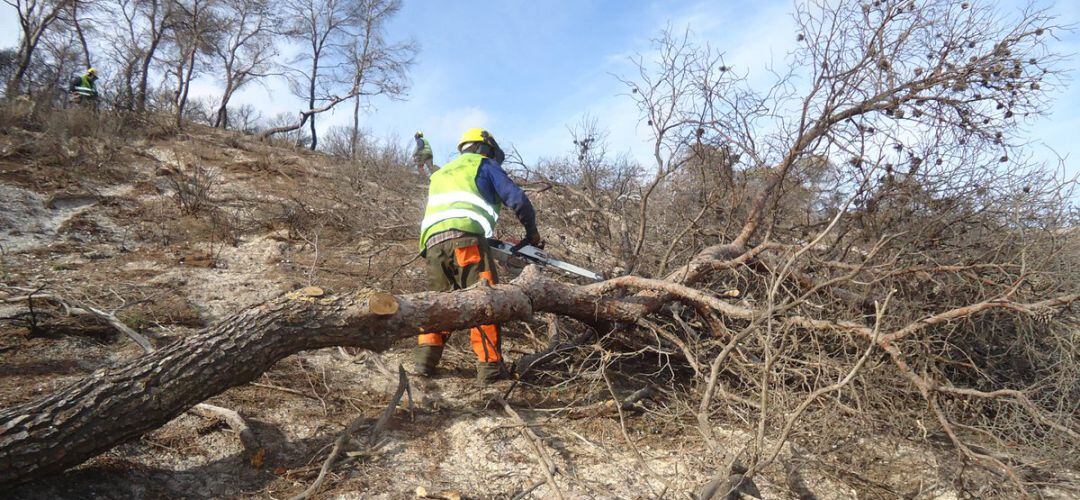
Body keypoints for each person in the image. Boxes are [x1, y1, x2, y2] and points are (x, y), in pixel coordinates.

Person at [414, 127, 542, 384]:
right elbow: (517, 199)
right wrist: (532, 234)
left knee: (437, 305)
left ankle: (424, 364)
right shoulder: (483, 164)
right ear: (485, 148)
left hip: (433, 247)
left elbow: (452, 207)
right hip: (466, 243)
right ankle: (490, 370)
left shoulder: (442, 173)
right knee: (485, 303)